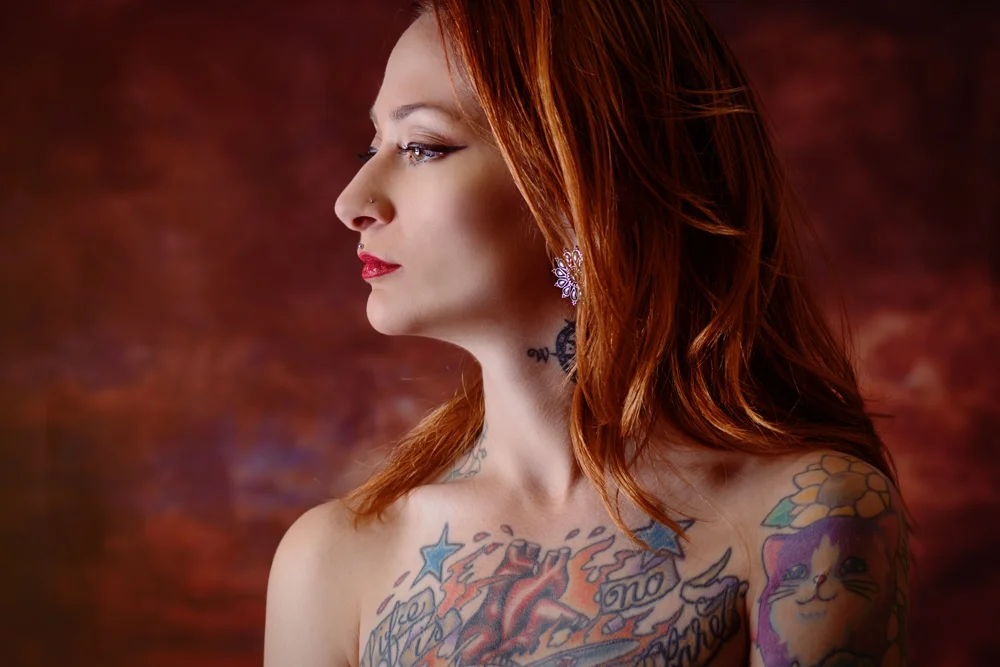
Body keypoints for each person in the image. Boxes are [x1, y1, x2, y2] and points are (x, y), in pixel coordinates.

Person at [264, 1, 911, 666]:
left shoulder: (804, 518)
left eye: (423, 146)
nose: (351, 202)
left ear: (585, 185)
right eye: (372, 146)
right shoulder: (333, 559)